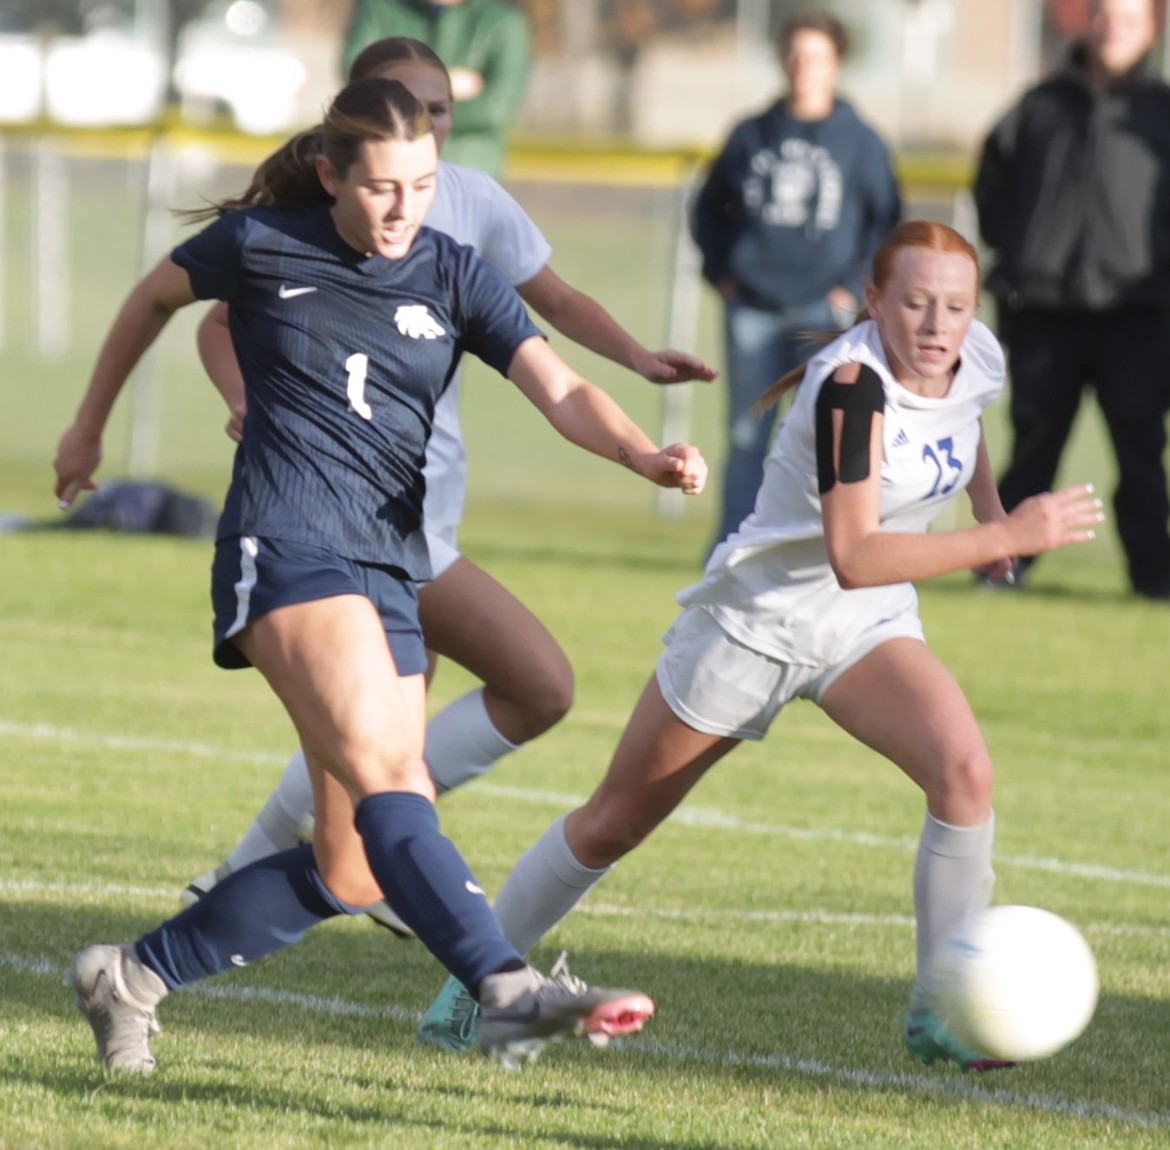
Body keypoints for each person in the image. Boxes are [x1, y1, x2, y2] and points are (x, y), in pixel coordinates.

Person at [54, 76, 708, 1074]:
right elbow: (155, 297)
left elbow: (561, 386)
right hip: (285, 542)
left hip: (388, 562)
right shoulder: (266, 244)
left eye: (424, 183)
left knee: (350, 866)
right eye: (383, 188)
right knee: (394, 776)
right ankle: (507, 988)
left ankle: (130, 976)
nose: (406, 208)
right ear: (330, 174)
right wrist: (89, 425)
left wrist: (644, 456)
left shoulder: (452, 270)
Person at [413, 220, 1105, 1067]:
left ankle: (942, 1007)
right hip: (753, 627)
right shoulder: (852, 384)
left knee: (965, 774)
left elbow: (965, 422)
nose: (937, 326)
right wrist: (1004, 540)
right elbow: (855, 555)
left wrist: (992, 510)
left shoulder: (977, 354)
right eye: (916, 304)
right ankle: (474, 989)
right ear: (875, 302)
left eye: (955, 307)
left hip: (866, 630)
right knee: (611, 824)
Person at [183, 36, 716, 945]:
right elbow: (212, 323)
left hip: (423, 514)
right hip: (345, 521)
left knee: (449, 725)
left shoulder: (468, 206)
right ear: (355, 132)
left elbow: (553, 312)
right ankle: (435, 908)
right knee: (421, 735)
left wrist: (635, 368)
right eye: (409, 106)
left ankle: (350, 862)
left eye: (439, 113)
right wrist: (245, 401)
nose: (427, 127)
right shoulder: (316, 217)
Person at [973, 0, 1170, 600]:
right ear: (1089, 21)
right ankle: (1003, 567)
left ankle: (1154, 579)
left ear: (1153, 28)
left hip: (1139, 314)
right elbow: (992, 184)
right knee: (1034, 446)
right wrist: (1022, 254)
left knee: (1139, 452)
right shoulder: (1041, 105)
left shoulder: (1161, 112)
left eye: (1130, 19)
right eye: (1106, 16)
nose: (1114, 30)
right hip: (1046, 311)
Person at [690, 9, 902, 555]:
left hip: (824, 311)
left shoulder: (860, 140)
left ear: (836, 65)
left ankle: (819, 548)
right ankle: (734, 548)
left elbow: (886, 220)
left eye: (816, 57)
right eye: (795, 55)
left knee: (827, 434)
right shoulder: (752, 133)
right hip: (753, 307)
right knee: (746, 435)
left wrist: (857, 289)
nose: (803, 67)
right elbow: (708, 208)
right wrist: (724, 273)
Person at [342, 0, 531, 178]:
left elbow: (495, 111)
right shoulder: (380, 8)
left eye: (439, 108)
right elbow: (356, 77)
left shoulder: (503, 22)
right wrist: (445, 85)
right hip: (390, 168)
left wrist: (397, 95)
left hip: (467, 170)